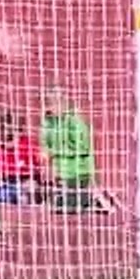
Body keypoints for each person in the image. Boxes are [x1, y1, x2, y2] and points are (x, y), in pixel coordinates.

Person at [42, 85, 109, 213]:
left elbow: (83, 148)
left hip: (78, 172)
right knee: (57, 206)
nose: (52, 106)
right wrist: (45, 151)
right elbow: (45, 142)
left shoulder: (75, 120)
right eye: (50, 102)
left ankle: (93, 198)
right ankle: (85, 199)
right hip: (60, 174)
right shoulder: (49, 121)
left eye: (57, 102)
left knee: (66, 208)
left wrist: (55, 152)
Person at [0, 110, 46, 205]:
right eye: (0, 132)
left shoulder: (28, 145)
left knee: (30, 187)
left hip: (25, 183)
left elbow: (42, 164)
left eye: (10, 136)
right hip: (8, 185)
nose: (4, 137)